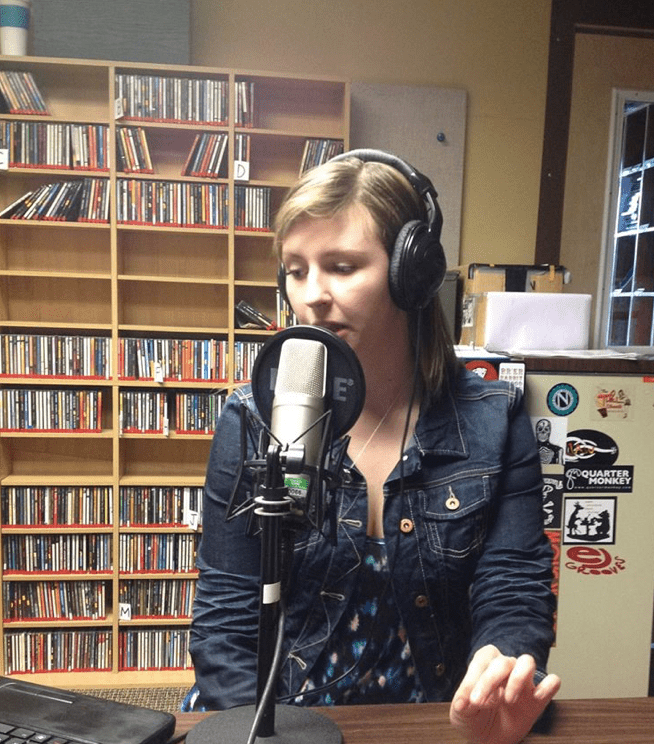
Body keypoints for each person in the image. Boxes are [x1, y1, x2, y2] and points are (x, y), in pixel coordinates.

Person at [185, 150, 561, 744]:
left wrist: (499, 671)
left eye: (340, 265)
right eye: (295, 269)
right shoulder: (250, 419)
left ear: (412, 276)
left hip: (434, 718)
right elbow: (227, 616)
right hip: (277, 719)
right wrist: (253, 732)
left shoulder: (495, 421)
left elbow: (512, 587)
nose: (310, 295)